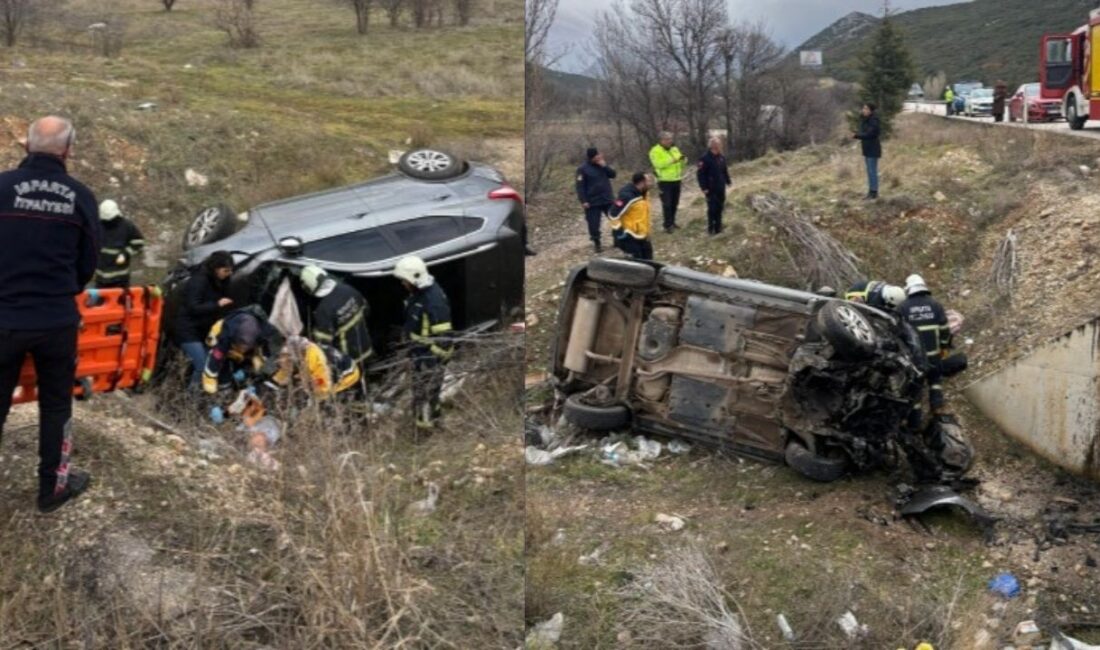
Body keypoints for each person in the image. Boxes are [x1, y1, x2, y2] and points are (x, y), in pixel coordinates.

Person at [0, 116, 100, 512]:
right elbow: (87, 263)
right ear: (68, 150)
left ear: (26, 145)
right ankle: (52, 488)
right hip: (55, 320)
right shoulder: (80, 196)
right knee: (56, 404)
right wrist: (61, 290)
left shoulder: (1, 187)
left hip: (3, 317)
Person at [394, 256, 454, 431]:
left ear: (415, 277)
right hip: (419, 353)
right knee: (422, 393)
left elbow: (444, 338)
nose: (403, 284)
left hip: (428, 356)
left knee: (425, 393)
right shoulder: (418, 294)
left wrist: (431, 361)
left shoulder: (434, 302)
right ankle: (432, 420)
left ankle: (424, 429)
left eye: (405, 281)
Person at [898, 274, 952, 430]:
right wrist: (944, 347)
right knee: (935, 382)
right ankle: (938, 412)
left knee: (915, 390)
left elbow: (899, 334)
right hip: (934, 356)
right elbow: (944, 330)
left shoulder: (902, 308)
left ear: (908, 289)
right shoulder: (935, 305)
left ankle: (914, 425)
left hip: (915, 360)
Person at [175, 251, 234, 388]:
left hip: (204, 330)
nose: (228, 274)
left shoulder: (221, 281)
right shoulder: (199, 281)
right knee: (202, 366)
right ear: (216, 268)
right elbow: (193, 307)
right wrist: (216, 304)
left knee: (208, 363)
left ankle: (195, 389)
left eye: (230, 271)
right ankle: (191, 397)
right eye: (226, 270)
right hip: (188, 330)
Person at [300, 265, 373, 370]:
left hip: (349, 361)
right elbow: (367, 311)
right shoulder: (348, 289)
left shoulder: (323, 310)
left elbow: (323, 344)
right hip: (366, 349)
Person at [202, 306, 278, 396]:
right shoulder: (225, 336)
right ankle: (224, 387)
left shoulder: (264, 333)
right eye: (242, 346)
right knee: (222, 363)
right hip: (221, 339)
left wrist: (266, 372)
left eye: (247, 346)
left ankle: (240, 383)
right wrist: (210, 389)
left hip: (245, 347)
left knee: (256, 364)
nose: (244, 348)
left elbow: (268, 354)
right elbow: (214, 361)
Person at [271, 335, 361, 400]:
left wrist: (304, 389)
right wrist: (276, 381)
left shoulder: (319, 366)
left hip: (349, 374)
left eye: (288, 358)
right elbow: (286, 370)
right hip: (329, 366)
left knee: (317, 396)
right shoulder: (302, 350)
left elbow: (323, 387)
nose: (282, 361)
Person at [94, 199, 144, 289]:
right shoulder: (99, 225)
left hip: (120, 278)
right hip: (101, 277)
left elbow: (138, 242)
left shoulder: (127, 226)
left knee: (120, 301)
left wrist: (125, 253)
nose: (108, 223)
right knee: (102, 302)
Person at [575, 147, 616, 253]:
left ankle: (618, 240)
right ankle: (597, 243)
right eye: (597, 156)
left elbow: (613, 175)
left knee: (616, 219)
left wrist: (605, 166)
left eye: (599, 155)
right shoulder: (582, 169)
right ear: (592, 157)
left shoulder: (602, 165)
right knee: (593, 224)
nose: (599, 157)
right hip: (592, 201)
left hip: (607, 198)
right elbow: (580, 186)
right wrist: (583, 201)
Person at [608, 172, 653, 260]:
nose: (650, 183)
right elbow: (613, 214)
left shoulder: (644, 193)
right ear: (641, 182)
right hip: (630, 237)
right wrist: (620, 233)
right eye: (648, 181)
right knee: (637, 264)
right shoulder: (627, 196)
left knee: (649, 261)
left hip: (643, 234)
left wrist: (648, 232)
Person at [648, 131, 686, 233]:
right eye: (667, 139)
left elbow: (681, 164)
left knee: (675, 202)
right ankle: (667, 225)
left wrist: (683, 160)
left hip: (676, 179)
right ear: (661, 140)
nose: (670, 141)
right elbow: (658, 164)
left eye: (670, 138)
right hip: (664, 181)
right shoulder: (655, 151)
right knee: (667, 204)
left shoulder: (674, 149)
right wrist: (673, 160)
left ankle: (672, 222)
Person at [696, 137, 732, 235]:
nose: (720, 147)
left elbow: (724, 170)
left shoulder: (721, 157)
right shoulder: (704, 158)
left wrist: (728, 181)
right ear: (713, 146)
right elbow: (700, 174)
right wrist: (703, 188)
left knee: (720, 207)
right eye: (718, 145)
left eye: (720, 145)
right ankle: (711, 228)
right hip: (710, 188)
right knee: (712, 209)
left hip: (721, 186)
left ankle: (718, 227)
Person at [852, 103, 882, 200]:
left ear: (871, 111)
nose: (863, 110)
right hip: (867, 149)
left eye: (866, 109)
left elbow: (870, 134)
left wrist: (857, 135)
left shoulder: (874, 121)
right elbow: (864, 132)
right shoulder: (866, 120)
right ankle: (871, 191)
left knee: (872, 171)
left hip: (873, 149)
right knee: (869, 171)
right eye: (863, 108)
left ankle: (874, 193)